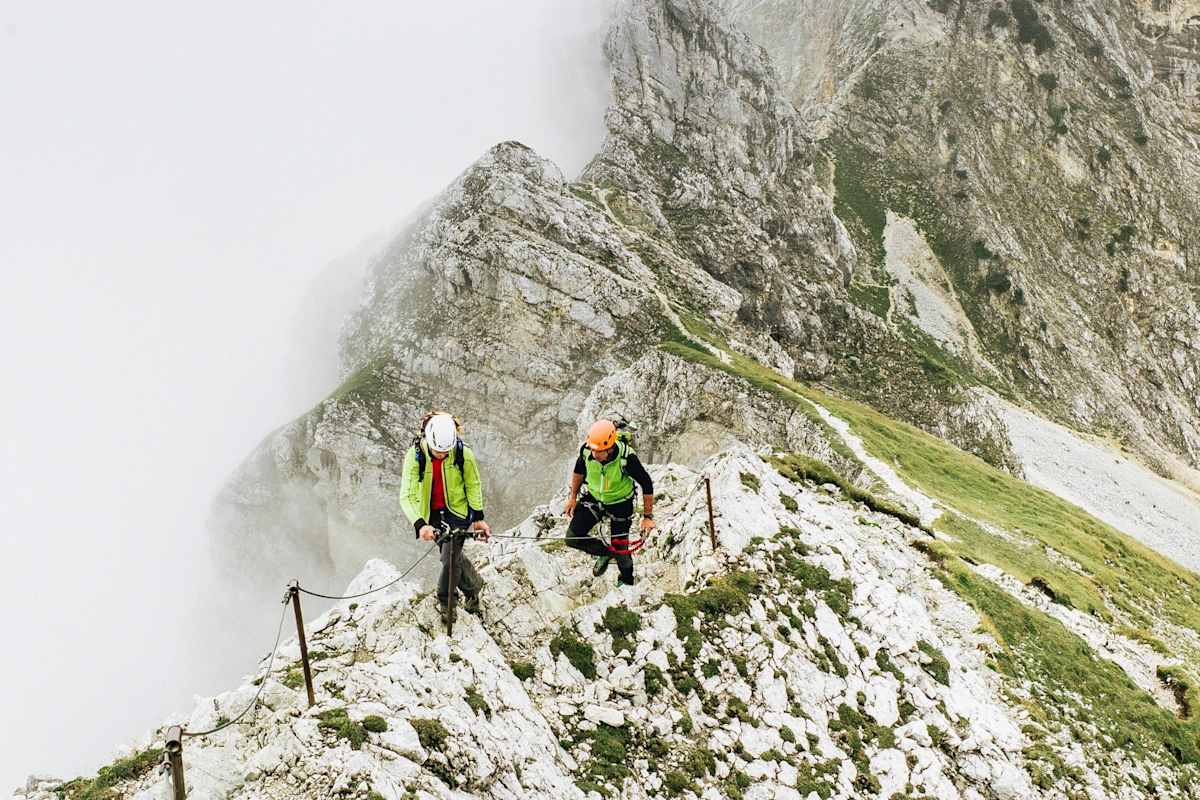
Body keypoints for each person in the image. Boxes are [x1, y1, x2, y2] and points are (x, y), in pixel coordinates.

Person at [399, 412, 491, 623]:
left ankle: (446, 602)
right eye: (437, 451)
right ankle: (474, 587)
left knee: (448, 558)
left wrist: (478, 517)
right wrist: (420, 524)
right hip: (431, 515)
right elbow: (407, 495)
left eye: (445, 451)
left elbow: (473, 484)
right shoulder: (415, 456)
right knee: (453, 556)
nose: (442, 454)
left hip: (457, 512)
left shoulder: (462, 453)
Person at [563, 419, 656, 586]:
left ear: (611, 447)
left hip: (620, 504)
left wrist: (647, 516)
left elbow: (646, 483)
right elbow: (578, 472)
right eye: (593, 450)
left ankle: (627, 580)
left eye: (600, 451)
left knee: (621, 549)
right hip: (594, 498)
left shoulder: (627, 458)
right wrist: (573, 498)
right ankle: (605, 553)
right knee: (572, 538)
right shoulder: (586, 452)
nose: (595, 454)